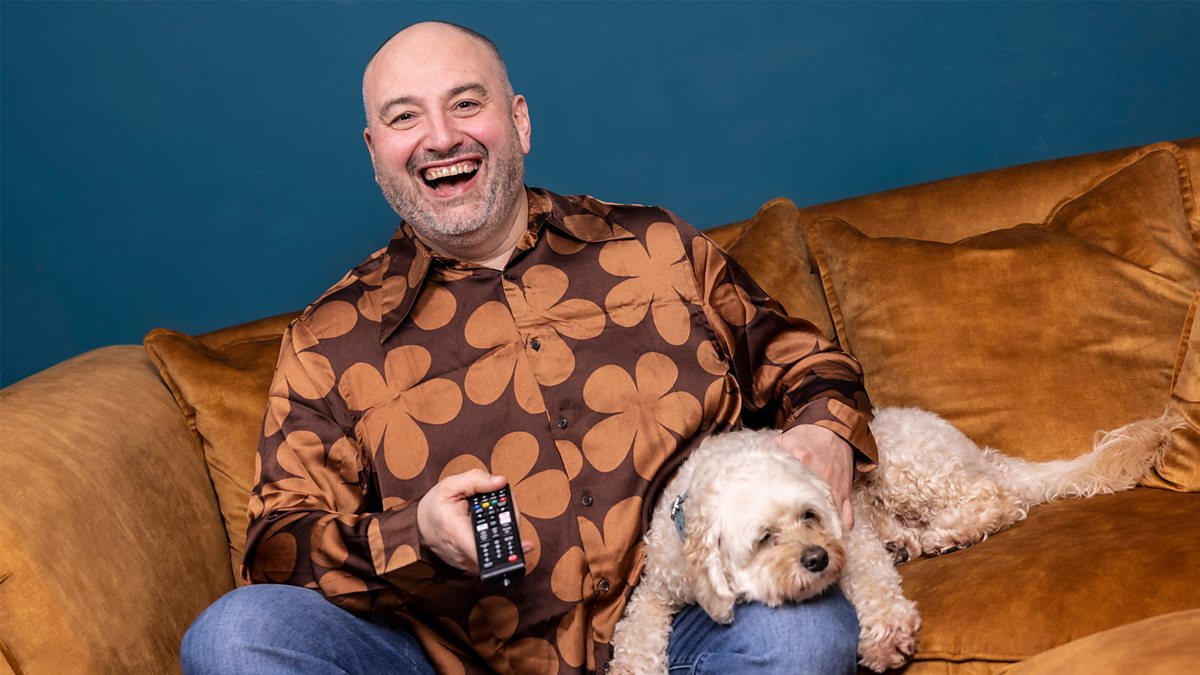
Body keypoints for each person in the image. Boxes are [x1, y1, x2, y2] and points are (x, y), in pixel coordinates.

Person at [181, 20, 878, 675]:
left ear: (518, 120)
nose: (440, 137)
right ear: (374, 152)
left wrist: (825, 430)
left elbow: (809, 363)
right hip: (456, 656)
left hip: (685, 623)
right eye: (405, 117)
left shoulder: (656, 247)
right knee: (234, 635)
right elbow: (277, 546)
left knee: (802, 633)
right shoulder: (329, 341)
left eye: (465, 103)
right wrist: (416, 534)